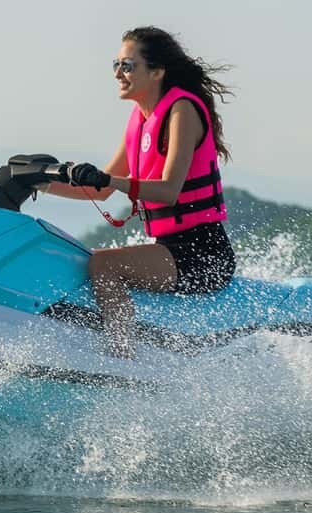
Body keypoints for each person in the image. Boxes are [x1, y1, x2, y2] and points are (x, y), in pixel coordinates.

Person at [47, 26, 236, 357]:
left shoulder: (181, 111)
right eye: (116, 65)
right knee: (81, 258)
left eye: (127, 66)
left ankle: (122, 356)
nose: (118, 74)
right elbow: (99, 190)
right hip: (169, 247)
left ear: (157, 71)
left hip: (203, 254)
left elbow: (169, 191)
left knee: (103, 264)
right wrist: (39, 183)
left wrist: (110, 181)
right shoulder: (140, 119)